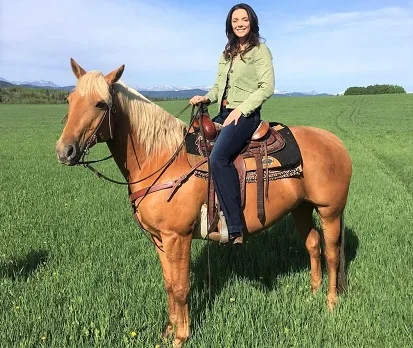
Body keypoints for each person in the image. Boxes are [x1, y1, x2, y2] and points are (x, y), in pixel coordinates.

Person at [189, 3, 275, 244]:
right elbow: (219, 87)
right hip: (223, 112)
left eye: (244, 19)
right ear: (230, 24)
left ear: (252, 22)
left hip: (246, 115)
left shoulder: (260, 50)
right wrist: (205, 97)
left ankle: (235, 225)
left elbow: (266, 87)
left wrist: (241, 109)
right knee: (191, 145)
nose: (240, 24)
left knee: (218, 158)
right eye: (235, 20)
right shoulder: (226, 53)